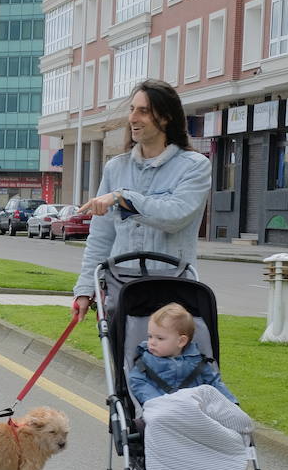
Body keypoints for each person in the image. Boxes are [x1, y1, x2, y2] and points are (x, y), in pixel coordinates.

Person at [70, 80, 213, 323]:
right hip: (121, 288)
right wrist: (85, 289)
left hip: (171, 291)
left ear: (166, 117)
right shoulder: (116, 167)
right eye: (132, 110)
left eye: (143, 111)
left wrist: (123, 198)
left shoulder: (195, 166)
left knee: (166, 360)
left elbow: (175, 216)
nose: (133, 118)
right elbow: (101, 236)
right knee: (119, 360)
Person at [128, 302, 237, 406]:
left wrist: (230, 402)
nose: (151, 342)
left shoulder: (197, 362)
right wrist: (156, 401)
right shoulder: (146, 361)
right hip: (160, 407)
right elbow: (137, 381)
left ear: (181, 341)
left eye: (159, 338)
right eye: (150, 336)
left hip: (193, 409)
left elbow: (214, 383)